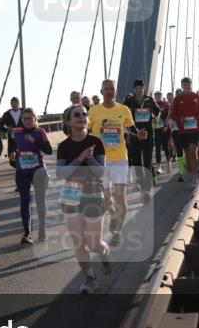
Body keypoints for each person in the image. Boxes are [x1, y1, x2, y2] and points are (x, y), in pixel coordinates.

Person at [56, 105, 112, 293]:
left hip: (93, 194)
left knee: (93, 244)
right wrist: (80, 158)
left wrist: (90, 159)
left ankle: (103, 251)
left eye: (85, 114)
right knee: (79, 243)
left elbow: (101, 172)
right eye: (77, 115)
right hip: (71, 195)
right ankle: (90, 279)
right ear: (68, 121)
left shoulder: (96, 141)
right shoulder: (64, 146)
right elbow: (61, 173)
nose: (82, 117)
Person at [88, 78, 137, 246]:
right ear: (101, 91)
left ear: (116, 91)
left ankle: (116, 232)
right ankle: (113, 215)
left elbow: (131, 128)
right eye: (106, 89)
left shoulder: (123, 110)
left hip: (119, 159)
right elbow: (85, 131)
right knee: (107, 199)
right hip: (100, 161)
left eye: (112, 89)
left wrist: (141, 134)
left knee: (120, 196)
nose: (109, 91)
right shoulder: (93, 112)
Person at [9, 108, 52, 243]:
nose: (27, 121)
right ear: (22, 120)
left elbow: (49, 150)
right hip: (22, 171)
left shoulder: (40, 132)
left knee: (40, 200)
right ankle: (27, 233)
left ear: (35, 119)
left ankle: (42, 229)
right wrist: (12, 154)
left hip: (38, 170)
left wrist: (34, 141)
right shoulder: (17, 132)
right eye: (25, 118)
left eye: (30, 118)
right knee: (24, 201)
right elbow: (12, 147)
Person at [123, 79, 160, 204]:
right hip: (135, 135)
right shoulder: (129, 101)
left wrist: (154, 116)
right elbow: (124, 117)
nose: (139, 90)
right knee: (137, 161)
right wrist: (127, 133)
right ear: (134, 89)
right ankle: (140, 182)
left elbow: (157, 111)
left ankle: (146, 190)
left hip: (148, 134)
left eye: (141, 88)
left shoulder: (149, 100)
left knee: (147, 161)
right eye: (137, 88)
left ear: (143, 89)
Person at [169, 77, 199, 186]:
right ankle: (191, 171)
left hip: (196, 129)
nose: (187, 87)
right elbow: (173, 114)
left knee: (193, 152)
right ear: (182, 86)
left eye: (188, 85)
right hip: (183, 130)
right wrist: (179, 119)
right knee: (188, 155)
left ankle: (194, 177)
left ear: (191, 85)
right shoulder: (177, 99)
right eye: (185, 85)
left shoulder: (196, 97)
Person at [153, 91, 171, 175]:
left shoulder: (165, 104)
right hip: (156, 129)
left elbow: (169, 115)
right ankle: (159, 167)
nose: (157, 97)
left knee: (166, 147)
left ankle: (168, 162)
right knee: (157, 148)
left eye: (159, 95)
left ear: (162, 96)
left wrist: (166, 125)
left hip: (165, 128)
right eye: (156, 95)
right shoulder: (152, 104)